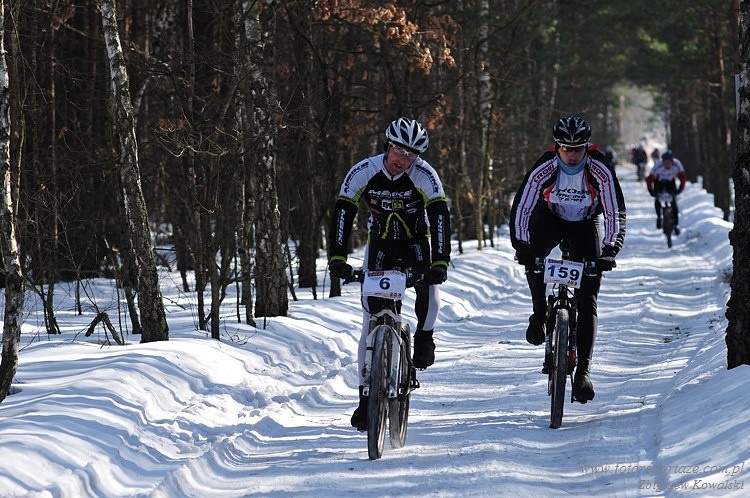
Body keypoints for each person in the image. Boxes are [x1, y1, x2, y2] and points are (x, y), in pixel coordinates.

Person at [328, 117, 451, 430]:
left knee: (430, 290)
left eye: (411, 155)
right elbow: (343, 211)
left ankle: (425, 337)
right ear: (388, 145)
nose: (402, 159)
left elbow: (439, 218)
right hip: (380, 245)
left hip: (415, 245)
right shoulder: (364, 171)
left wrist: (441, 262)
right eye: (399, 150)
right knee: (370, 320)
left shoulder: (425, 175)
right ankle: (365, 398)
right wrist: (338, 257)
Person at [509, 116, 626, 403]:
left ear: (588, 147)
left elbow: (614, 211)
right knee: (534, 257)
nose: (572, 155)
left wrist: (611, 249)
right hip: (551, 218)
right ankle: (539, 314)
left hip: (586, 223)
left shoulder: (599, 168)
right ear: (557, 147)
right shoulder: (544, 167)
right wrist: (521, 246)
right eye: (566, 148)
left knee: (588, 298)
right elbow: (522, 207)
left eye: (578, 149)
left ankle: (583, 372)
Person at [646, 150, 687, 234]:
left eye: (669, 163)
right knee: (657, 198)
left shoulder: (677, 164)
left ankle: (675, 224)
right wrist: (651, 190)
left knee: (674, 201)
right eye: (665, 163)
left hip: (670, 182)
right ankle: (659, 217)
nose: (667, 165)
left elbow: (683, 177)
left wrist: (681, 188)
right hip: (659, 182)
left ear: (673, 161)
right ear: (662, 162)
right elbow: (649, 179)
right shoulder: (658, 165)